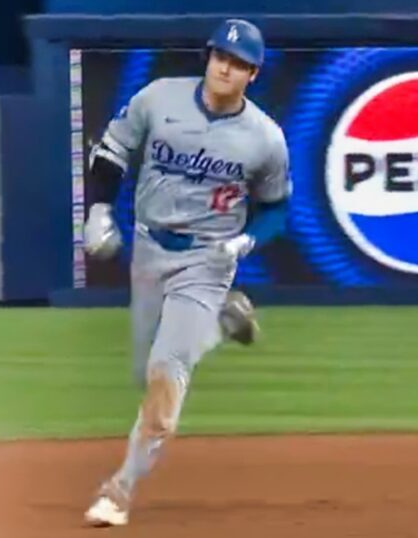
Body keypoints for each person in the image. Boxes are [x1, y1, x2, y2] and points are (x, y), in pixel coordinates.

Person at [81, 18, 290, 527]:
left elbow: (277, 210)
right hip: (149, 250)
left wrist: (245, 241)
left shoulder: (264, 137)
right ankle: (224, 322)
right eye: (221, 55)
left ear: (253, 74)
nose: (226, 66)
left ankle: (119, 490)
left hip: (207, 260)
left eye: (239, 62)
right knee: (143, 371)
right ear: (208, 55)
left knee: (165, 378)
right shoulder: (159, 99)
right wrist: (99, 211)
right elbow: (111, 152)